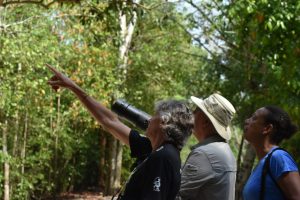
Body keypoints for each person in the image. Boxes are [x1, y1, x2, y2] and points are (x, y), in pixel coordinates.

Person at [46, 64, 194, 200]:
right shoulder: (153, 149)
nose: (149, 119)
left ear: (163, 121)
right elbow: (110, 121)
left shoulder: (164, 157)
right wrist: (73, 87)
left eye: (154, 114)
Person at [177, 93, 237, 200]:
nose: (192, 114)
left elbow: (177, 195)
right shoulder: (224, 150)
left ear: (205, 122)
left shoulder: (204, 154)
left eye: (196, 111)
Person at [243, 106, 300, 200]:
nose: (246, 121)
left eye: (254, 118)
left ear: (267, 128)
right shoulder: (262, 163)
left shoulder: (279, 157)